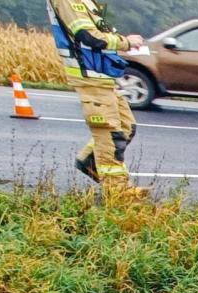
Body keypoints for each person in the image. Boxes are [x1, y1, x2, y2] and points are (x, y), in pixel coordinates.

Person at [46, 0, 146, 195]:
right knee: (110, 135)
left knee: (126, 127)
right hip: (89, 76)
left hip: (103, 76)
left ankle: (89, 162)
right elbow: (89, 37)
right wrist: (126, 42)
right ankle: (118, 193)